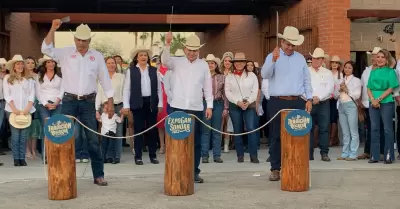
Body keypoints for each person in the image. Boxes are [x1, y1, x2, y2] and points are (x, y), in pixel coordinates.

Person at [42, 20, 114, 186]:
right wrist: (53, 28)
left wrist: (109, 102)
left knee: (93, 141)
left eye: (85, 40)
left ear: (90, 40)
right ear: (74, 39)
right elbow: (45, 48)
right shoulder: (65, 53)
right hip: (69, 101)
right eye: (78, 40)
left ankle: (98, 175)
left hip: (88, 102)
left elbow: (105, 80)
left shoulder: (97, 56)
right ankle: (62, 174)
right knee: (63, 137)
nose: (81, 43)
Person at [261, 26, 312, 181]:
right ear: (282, 42)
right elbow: (265, 75)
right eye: (288, 44)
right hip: (277, 101)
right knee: (276, 136)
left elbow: (306, 80)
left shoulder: (300, 58)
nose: (290, 48)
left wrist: (309, 98)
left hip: (297, 101)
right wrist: (273, 61)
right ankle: (275, 168)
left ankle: (295, 164)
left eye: (293, 45)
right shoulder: (273, 56)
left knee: (297, 134)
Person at [161, 32, 213, 183]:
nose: (192, 53)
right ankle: (177, 170)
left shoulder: (203, 65)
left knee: (195, 142)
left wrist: (209, 106)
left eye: (195, 50)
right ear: (184, 49)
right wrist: (168, 44)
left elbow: (208, 87)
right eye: (189, 50)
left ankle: (194, 171)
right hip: (177, 107)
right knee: (177, 141)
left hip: (196, 108)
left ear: (199, 51)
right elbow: (164, 61)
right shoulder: (176, 62)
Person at [122, 46, 162, 165]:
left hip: (151, 103)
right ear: (137, 58)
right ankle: (138, 156)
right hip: (137, 103)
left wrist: (160, 104)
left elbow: (159, 89)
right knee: (138, 130)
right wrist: (126, 105)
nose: (143, 57)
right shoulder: (131, 71)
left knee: (152, 130)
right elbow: (126, 89)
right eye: (141, 55)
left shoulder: (154, 71)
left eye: (145, 55)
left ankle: (153, 156)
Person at [225, 53, 259, 163]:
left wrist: (248, 102)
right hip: (235, 105)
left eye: (241, 62)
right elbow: (227, 92)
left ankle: (253, 155)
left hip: (249, 105)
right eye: (237, 62)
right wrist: (237, 102)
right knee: (237, 130)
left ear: (245, 63)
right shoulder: (229, 76)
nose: (239, 64)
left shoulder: (252, 75)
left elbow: (255, 91)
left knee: (251, 128)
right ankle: (240, 155)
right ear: (234, 63)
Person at [3, 55, 36, 166]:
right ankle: (16, 158)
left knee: (24, 136)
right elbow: (7, 95)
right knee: (15, 135)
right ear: (13, 66)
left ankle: (22, 158)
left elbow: (32, 94)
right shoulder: (8, 78)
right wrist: (14, 109)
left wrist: (27, 108)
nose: (20, 66)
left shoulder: (29, 79)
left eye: (22, 63)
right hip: (12, 110)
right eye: (18, 64)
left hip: (26, 110)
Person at [367, 49, 399, 164]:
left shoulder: (391, 72)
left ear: (386, 59)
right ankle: (374, 156)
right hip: (373, 102)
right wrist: (372, 99)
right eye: (378, 57)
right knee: (374, 128)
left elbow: (391, 88)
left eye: (382, 57)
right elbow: (368, 87)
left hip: (386, 101)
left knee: (387, 129)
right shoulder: (373, 71)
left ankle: (389, 155)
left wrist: (379, 99)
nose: (379, 59)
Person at [95, 57, 125, 164]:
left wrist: (125, 107)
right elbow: (98, 94)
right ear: (105, 65)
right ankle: (107, 156)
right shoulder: (101, 78)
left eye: (113, 63)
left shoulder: (121, 77)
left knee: (118, 133)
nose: (111, 65)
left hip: (118, 106)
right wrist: (97, 109)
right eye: (108, 63)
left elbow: (125, 92)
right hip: (105, 108)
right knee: (106, 134)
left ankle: (116, 156)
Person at [308, 48, 334, 161]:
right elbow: (303, 86)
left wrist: (319, 98)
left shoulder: (327, 73)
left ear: (322, 60)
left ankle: (324, 153)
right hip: (309, 101)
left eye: (318, 58)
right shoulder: (306, 71)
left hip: (323, 103)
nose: (315, 60)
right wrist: (310, 98)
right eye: (314, 58)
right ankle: (309, 153)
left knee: (324, 128)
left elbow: (330, 89)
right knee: (309, 128)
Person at [336, 61, 361, 161]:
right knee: (345, 132)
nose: (347, 69)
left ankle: (353, 153)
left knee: (353, 131)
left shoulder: (356, 81)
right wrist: (339, 91)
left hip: (351, 105)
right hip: (341, 105)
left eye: (349, 68)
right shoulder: (340, 80)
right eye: (345, 67)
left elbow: (357, 95)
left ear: (353, 69)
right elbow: (335, 95)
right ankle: (345, 153)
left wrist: (347, 89)